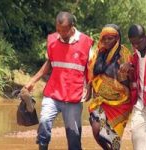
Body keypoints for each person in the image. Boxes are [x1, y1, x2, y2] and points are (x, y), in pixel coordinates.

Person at [23, 11, 93, 150]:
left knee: (74, 139)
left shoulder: (85, 42)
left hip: (73, 96)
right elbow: (49, 63)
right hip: (53, 93)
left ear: (72, 26)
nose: (61, 33)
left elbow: (90, 68)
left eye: (64, 30)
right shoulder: (53, 40)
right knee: (44, 122)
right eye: (58, 30)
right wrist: (33, 81)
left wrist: (90, 87)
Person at [87, 24, 136, 150]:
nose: (107, 41)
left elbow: (131, 76)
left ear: (117, 38)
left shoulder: (124, 53)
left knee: (114, 137)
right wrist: (88, 92)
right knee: (97, 130)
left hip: (120, 103)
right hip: (100, 100)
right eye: (105, 38)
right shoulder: (98, 53)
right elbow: (91, 74)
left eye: (111, 38)